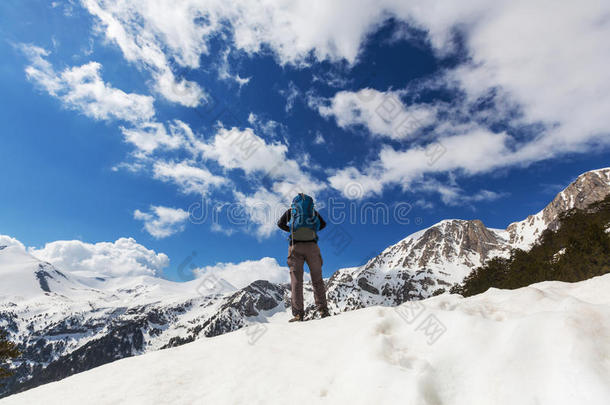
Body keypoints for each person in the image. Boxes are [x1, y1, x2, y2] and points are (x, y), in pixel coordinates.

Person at [277, 193, 330, 322]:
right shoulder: (312, 212)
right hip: (312, 246)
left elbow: (280, 223)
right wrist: (312, 231)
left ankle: (298, 314)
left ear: (295, 203)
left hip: (295, 247)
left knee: (296, 281)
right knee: (317, 279)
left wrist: (291, 229)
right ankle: (323, 310)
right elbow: (323, 224)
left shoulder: (291, 211)